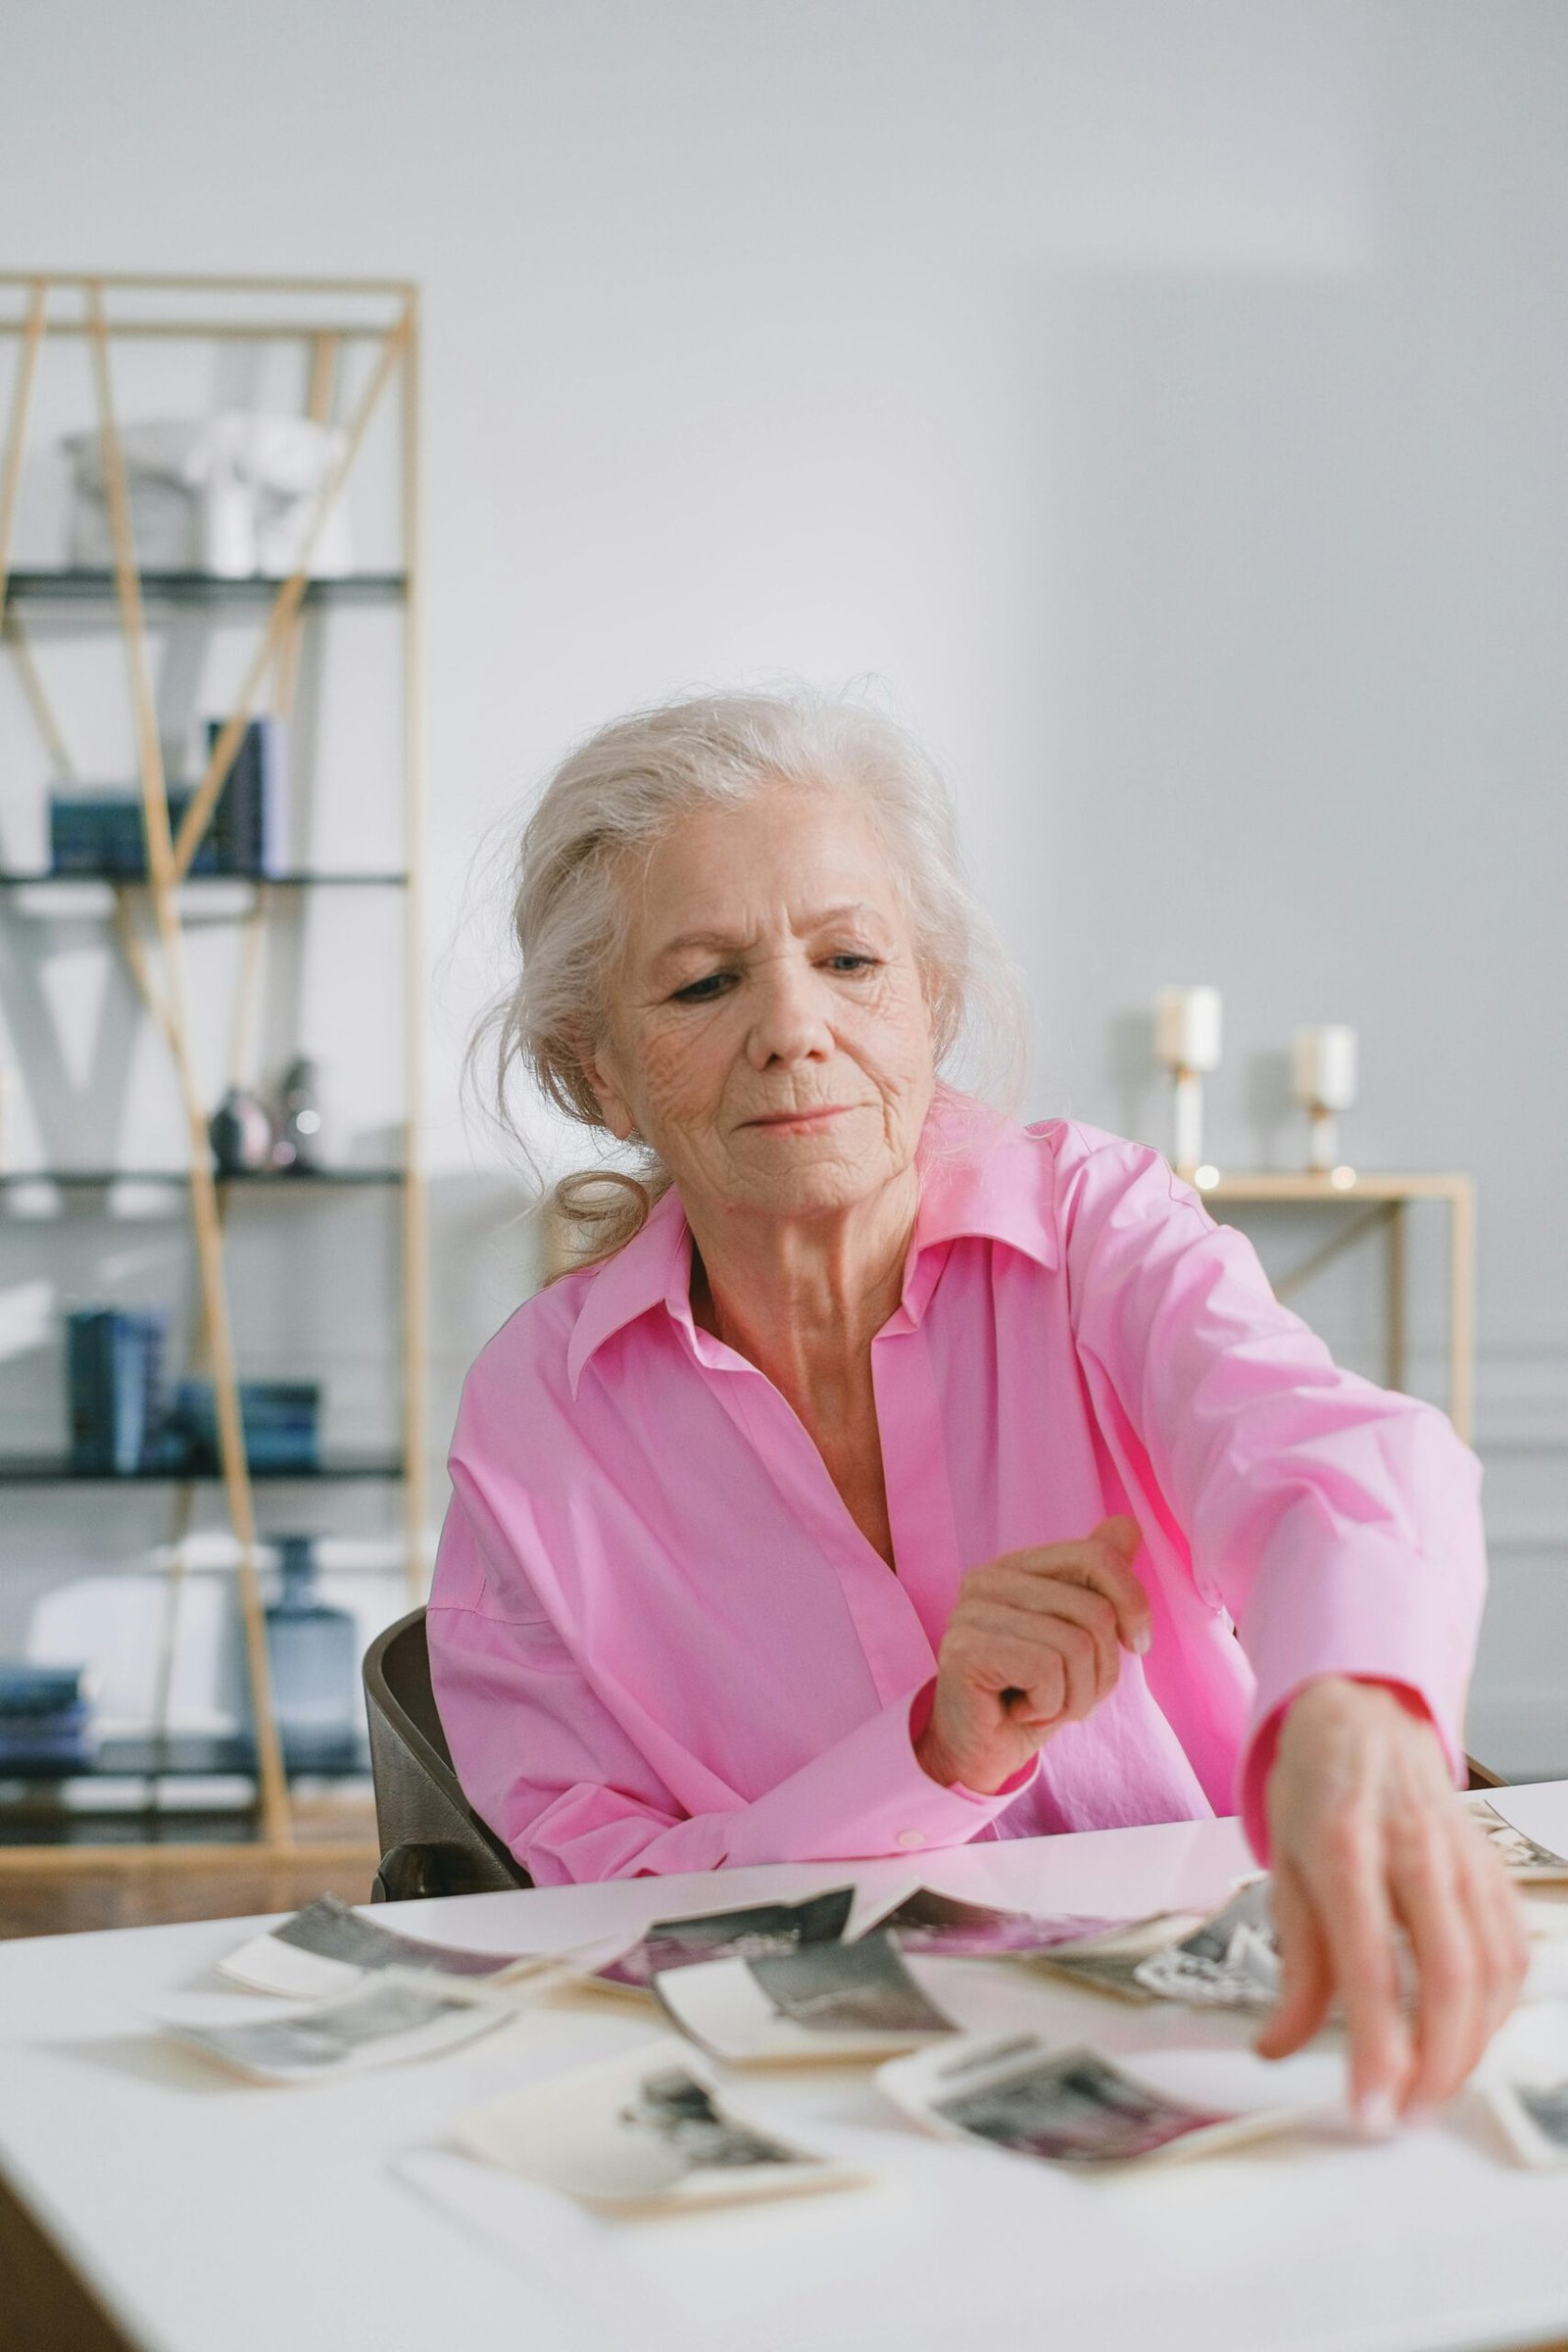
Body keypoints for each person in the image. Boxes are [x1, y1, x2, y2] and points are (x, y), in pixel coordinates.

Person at [429, 688, 1526, 2129]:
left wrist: (1353, 1709)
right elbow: (596, 1902)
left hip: (1243, 2045)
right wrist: (929, 1756)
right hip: (826, 2099)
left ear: (928, 1000)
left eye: (849, 959)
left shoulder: (1097, 1223)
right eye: (704, 984)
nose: (794, 1029)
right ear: (599, 1069)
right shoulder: (538, 1420)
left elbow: (1330, 1457)